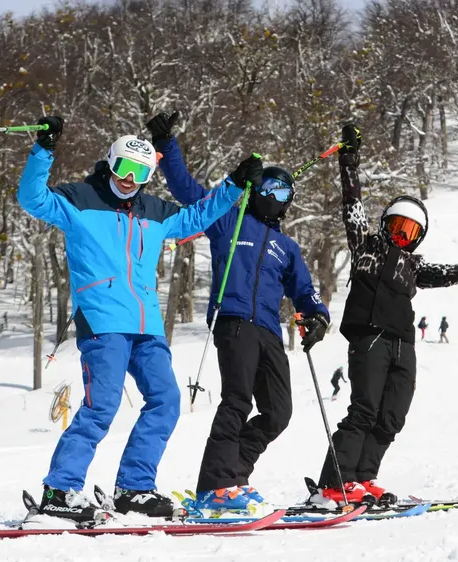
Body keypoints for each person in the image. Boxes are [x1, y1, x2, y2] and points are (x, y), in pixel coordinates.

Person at [17, 116, 244, 524]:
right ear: (110, 162)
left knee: (166, 400)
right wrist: (43, 150)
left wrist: (234, 186)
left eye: (140, 172)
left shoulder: (154, 211)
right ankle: (59, 490)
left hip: (147, 325)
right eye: (124, 167)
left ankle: (134, 490)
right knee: (102, 406)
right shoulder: (80, 200)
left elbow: (196, 218)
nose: (129, 178)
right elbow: (32, 198)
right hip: (103, 321)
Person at [311, 124, 458, 507]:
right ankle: (334, 483)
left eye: (409, 233)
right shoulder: (365, 247)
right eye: (396, 228)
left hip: (403, 345)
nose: (400, 237)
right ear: (384, 226)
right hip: (370, 336)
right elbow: (352, 204)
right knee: (363, 410)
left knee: (391, 416)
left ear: (417, 238)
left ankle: (363, 477)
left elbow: (452, 271)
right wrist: (349, 158)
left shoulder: (414, 266)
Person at [150, 111, 330, 513]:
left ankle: (233, 474)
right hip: (234, 322)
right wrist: (166, 144)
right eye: (272, 190)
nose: (278, 199)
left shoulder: (287, 247)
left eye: (286, 194)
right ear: (258, 188)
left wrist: (317, 314)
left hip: (269, 331)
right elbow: (186, 190)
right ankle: (215, 486)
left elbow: (304, 289)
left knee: (278, 412)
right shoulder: (228, 220)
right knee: (237, 400)